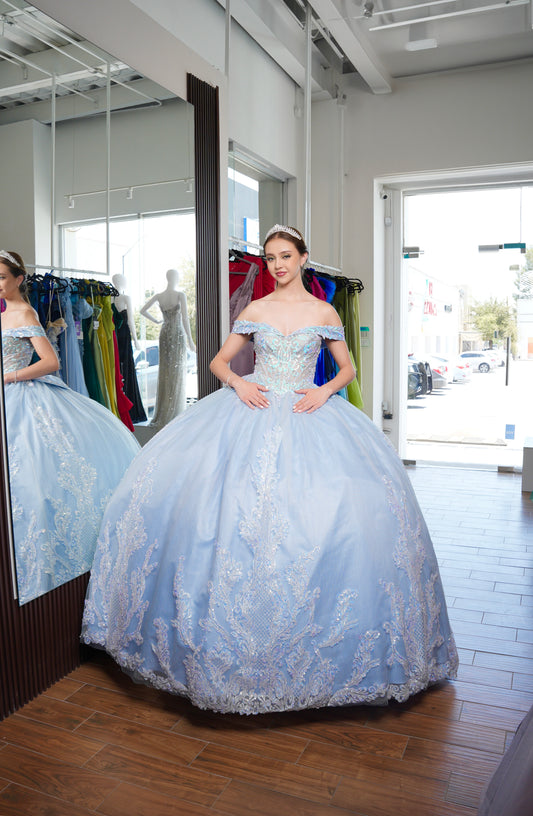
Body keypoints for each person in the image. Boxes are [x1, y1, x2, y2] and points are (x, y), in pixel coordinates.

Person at [81, 225, 458, 715]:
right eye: (270, 257)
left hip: (308, 409)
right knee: (229, 514)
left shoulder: (323, 312)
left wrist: (324, 391)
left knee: (329, 515)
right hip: (252, 406)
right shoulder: (255, 309)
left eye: (285, 256)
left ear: (304, 258)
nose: (277, 264)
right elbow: (219, 362)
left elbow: (346, 369)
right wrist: (239, 385)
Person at [0, 250, 140, 605]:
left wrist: (10, 376)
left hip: (17, 394)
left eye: (2, 277)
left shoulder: (24, 312)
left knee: (31, 481)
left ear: (18, 279)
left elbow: (51, 362)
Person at [140, 268, 196, 428]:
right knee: (175, 371)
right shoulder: (180, 295)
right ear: (176, 278)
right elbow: (184, 318)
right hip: (177, 333)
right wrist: (191, 341)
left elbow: (143, 311)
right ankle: (174, 412)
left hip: (165, 332)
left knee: (166, 370)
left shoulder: (159, 296)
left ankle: (164, 412)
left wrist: (157, 321)